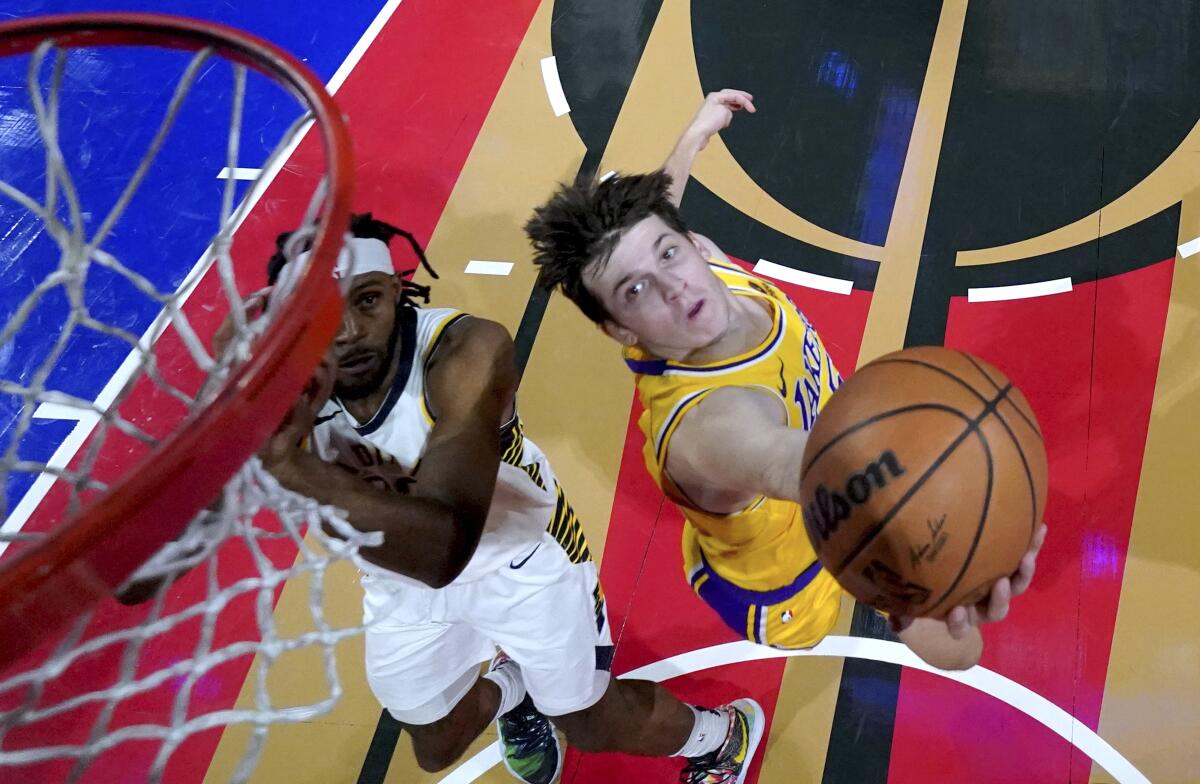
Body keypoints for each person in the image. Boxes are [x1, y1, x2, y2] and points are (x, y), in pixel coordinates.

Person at [524, 90, 1046, 670]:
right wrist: (957, 532)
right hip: (789, 581)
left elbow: (659, 221)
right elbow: (811, 468)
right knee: (962, 649)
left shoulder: (701, 264)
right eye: (635, 291)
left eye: (669, 254)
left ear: (688, 244)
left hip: (822, 484)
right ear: (620, 331)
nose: (673, 287)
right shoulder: (711, 426)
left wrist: (693, 138)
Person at [250, 214, 766, 784]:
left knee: (588, 720)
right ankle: (512, 686)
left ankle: (721, 739)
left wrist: (284, 462)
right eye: (320, 314)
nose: (346, 330)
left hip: (524, 563)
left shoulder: (467, 352)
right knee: (435, 743)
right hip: (400, 578)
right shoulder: (284, 382)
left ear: (397, 289)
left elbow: (446, 547)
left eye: (366, 300)